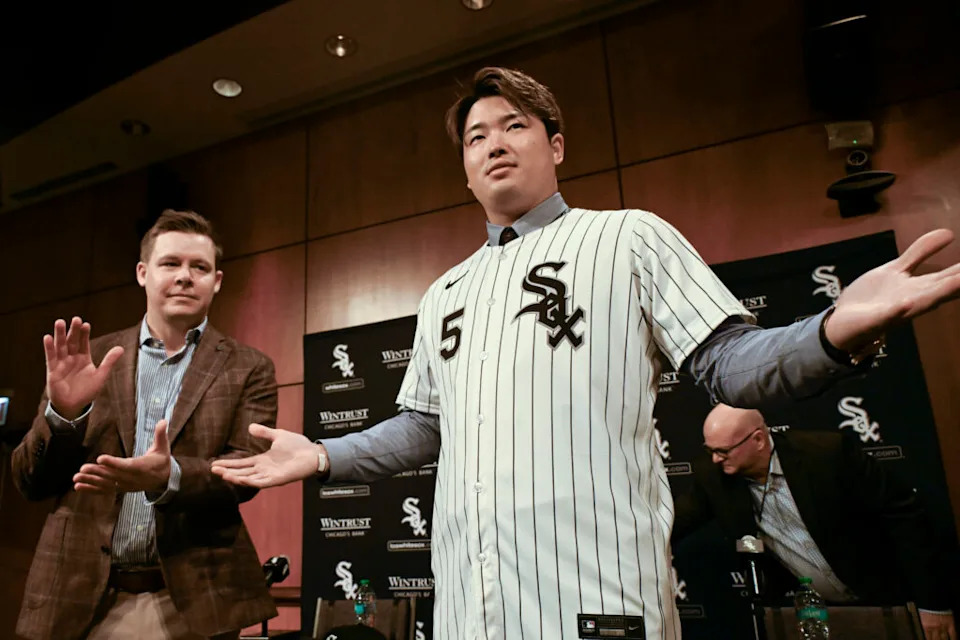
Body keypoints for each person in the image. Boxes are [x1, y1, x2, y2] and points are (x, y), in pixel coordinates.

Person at [212, 67, 960, 639]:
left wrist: (835, 330)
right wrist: (320, 457)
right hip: (473, 605)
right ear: (465, 168)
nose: (495, 143)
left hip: (600, 595)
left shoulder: (628, 236)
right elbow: (420, 428)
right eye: (477, 137)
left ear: (555, 143)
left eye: (515, 126)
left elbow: (732, 364)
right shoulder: (444, 292)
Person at [12, 210, 278, 640]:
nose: (185, 277)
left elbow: (246, 473)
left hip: (192, 603)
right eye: (170, 263)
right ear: (142, 273)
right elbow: (29, 482)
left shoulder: (249, 368)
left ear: (218, 281)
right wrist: (61, 417)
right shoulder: (89, 359)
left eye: (200, 267)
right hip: (79, 600)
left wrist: (168, 477)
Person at [673, 404, 957, 640]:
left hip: (891, 599)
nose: (714, 459)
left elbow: (906, 518)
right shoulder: (715, 479)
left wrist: (933, 605)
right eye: (710, 449)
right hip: (819, 615)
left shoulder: (827, 454)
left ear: (758, 439)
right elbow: (677, 520)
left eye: (723, 451)